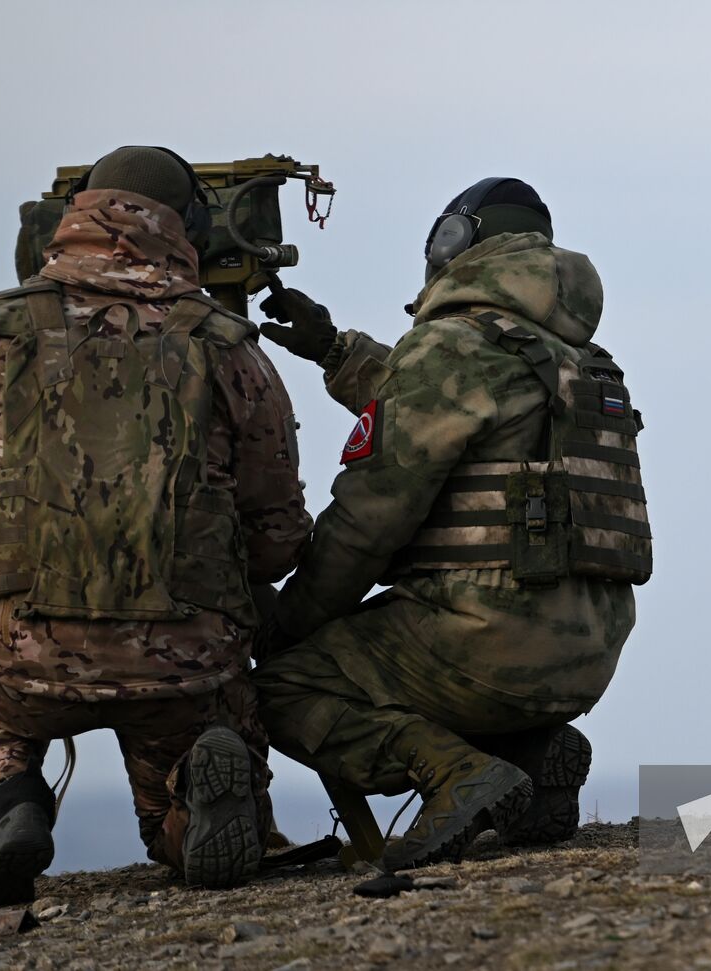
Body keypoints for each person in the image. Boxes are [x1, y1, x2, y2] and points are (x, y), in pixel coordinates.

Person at [0, 146, 311, 905]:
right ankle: (189, 809)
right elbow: (279, 536)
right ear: (187, 228)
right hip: (182, 661)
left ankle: (16, 799)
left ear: (70, 221)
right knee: (179, 773)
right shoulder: (229, 348)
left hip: (21, 656)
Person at [253, 177, 650, 870]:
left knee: (281, 686)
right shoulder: (580, 362)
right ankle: (530, 754)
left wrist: (288, 621)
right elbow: (441, 398)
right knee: (435, 659)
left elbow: (367, 522)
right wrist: (333, 349)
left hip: (481, 643)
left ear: (455, 243)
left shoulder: (449, 346)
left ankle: (455, 773)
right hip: (587, 653)